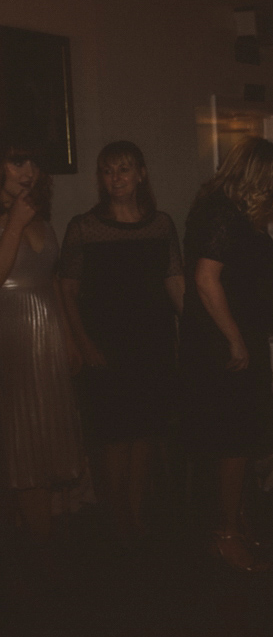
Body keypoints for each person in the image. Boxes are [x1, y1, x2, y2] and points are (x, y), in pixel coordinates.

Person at [58, 141, 183, 540]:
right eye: (108, 171)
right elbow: (66, 291)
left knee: (145, 431)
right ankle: (115, 518)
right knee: (114, 435)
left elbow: (174, 282)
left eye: (123, 170)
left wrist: (196, 330)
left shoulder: (161, 224)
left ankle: (136, 511)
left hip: (153, 343)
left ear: (141, 173)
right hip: (107, 344)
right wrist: (82, 343)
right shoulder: (85, 227)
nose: (115, 179)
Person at [178, 137, 273, 572]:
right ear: (260, 174)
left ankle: (236, 522)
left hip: (242, 335)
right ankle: (223, 534)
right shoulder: (220, 212)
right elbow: (206, 280)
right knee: (232, 439)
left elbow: (245, 267)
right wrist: (234, 339)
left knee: (242, 439)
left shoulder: (242, 213)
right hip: (221, 344)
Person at [0, 132, 85, 559]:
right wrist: (13, 223)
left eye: (33, 164)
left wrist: (68, 338)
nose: (28, 172)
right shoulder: (13, 217)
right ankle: (42, 550)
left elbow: (51, 281)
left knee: (46, 434)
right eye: (17, 162)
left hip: (46, 336)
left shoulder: (43, 217)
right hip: (10, 336)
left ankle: (33, 542)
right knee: (22, 438)